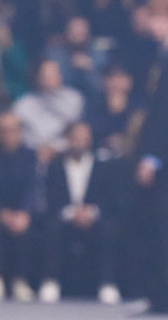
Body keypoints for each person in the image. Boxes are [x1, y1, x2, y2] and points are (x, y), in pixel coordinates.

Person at [133, 0, 168, 314]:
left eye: (160, 18)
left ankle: (166, 295)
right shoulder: (162, 55)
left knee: (165, 225)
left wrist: (152, 157)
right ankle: (160, 293)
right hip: (167, 154)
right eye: (152, 17)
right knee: (158, 224)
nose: (154, 23)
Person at [38, 120, 121, 305]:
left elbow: (109, 196)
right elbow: (51, 197)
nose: (80, 142)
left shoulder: (102, 165)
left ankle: (107, 283)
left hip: (93, 216)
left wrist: (91, 212)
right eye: (75, 138)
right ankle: (51, 280)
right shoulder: (55, 165)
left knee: (109, 229)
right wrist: (72, 213)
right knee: (52, 228)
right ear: (68, 140)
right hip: (66, 216)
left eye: (84, 138)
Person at [0, 112, 39, 303]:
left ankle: (20, 280)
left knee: (33, 226)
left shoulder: (30, 155)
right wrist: (0, 212)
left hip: (22, 211)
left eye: (12, 130)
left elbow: (33, 187)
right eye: (3, 131)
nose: (8, 135)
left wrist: (24, 212)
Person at [13, 59, 84, 164]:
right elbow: (20, 137)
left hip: (66, 156)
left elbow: (78, 133)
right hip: (33, 156)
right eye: (46, 75)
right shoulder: (23, 105)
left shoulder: (74, 100)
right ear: (37, 77)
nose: (50, 79)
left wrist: (56, 148)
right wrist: (38, 149)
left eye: (54, 74)